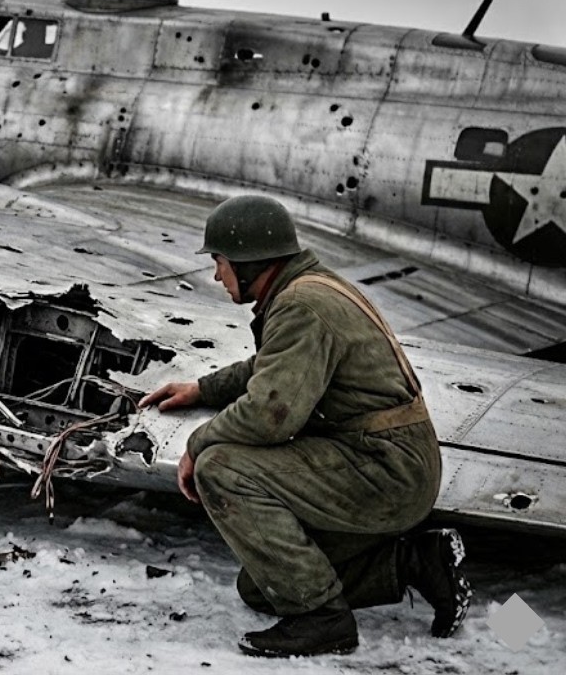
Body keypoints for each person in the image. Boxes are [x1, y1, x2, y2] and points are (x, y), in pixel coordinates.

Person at [139, 194, 472, 658]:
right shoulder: (309, 288)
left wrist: (197, 443)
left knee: (221, 466)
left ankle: (324, 622)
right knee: (262, 585)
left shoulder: (301, 305)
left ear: (249, 261)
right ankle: (418, 562)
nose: (216, 275)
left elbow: (268, 416)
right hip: (387, 461)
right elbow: (274, 366)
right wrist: (204, 389)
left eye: (219, 261)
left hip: (384, 470)